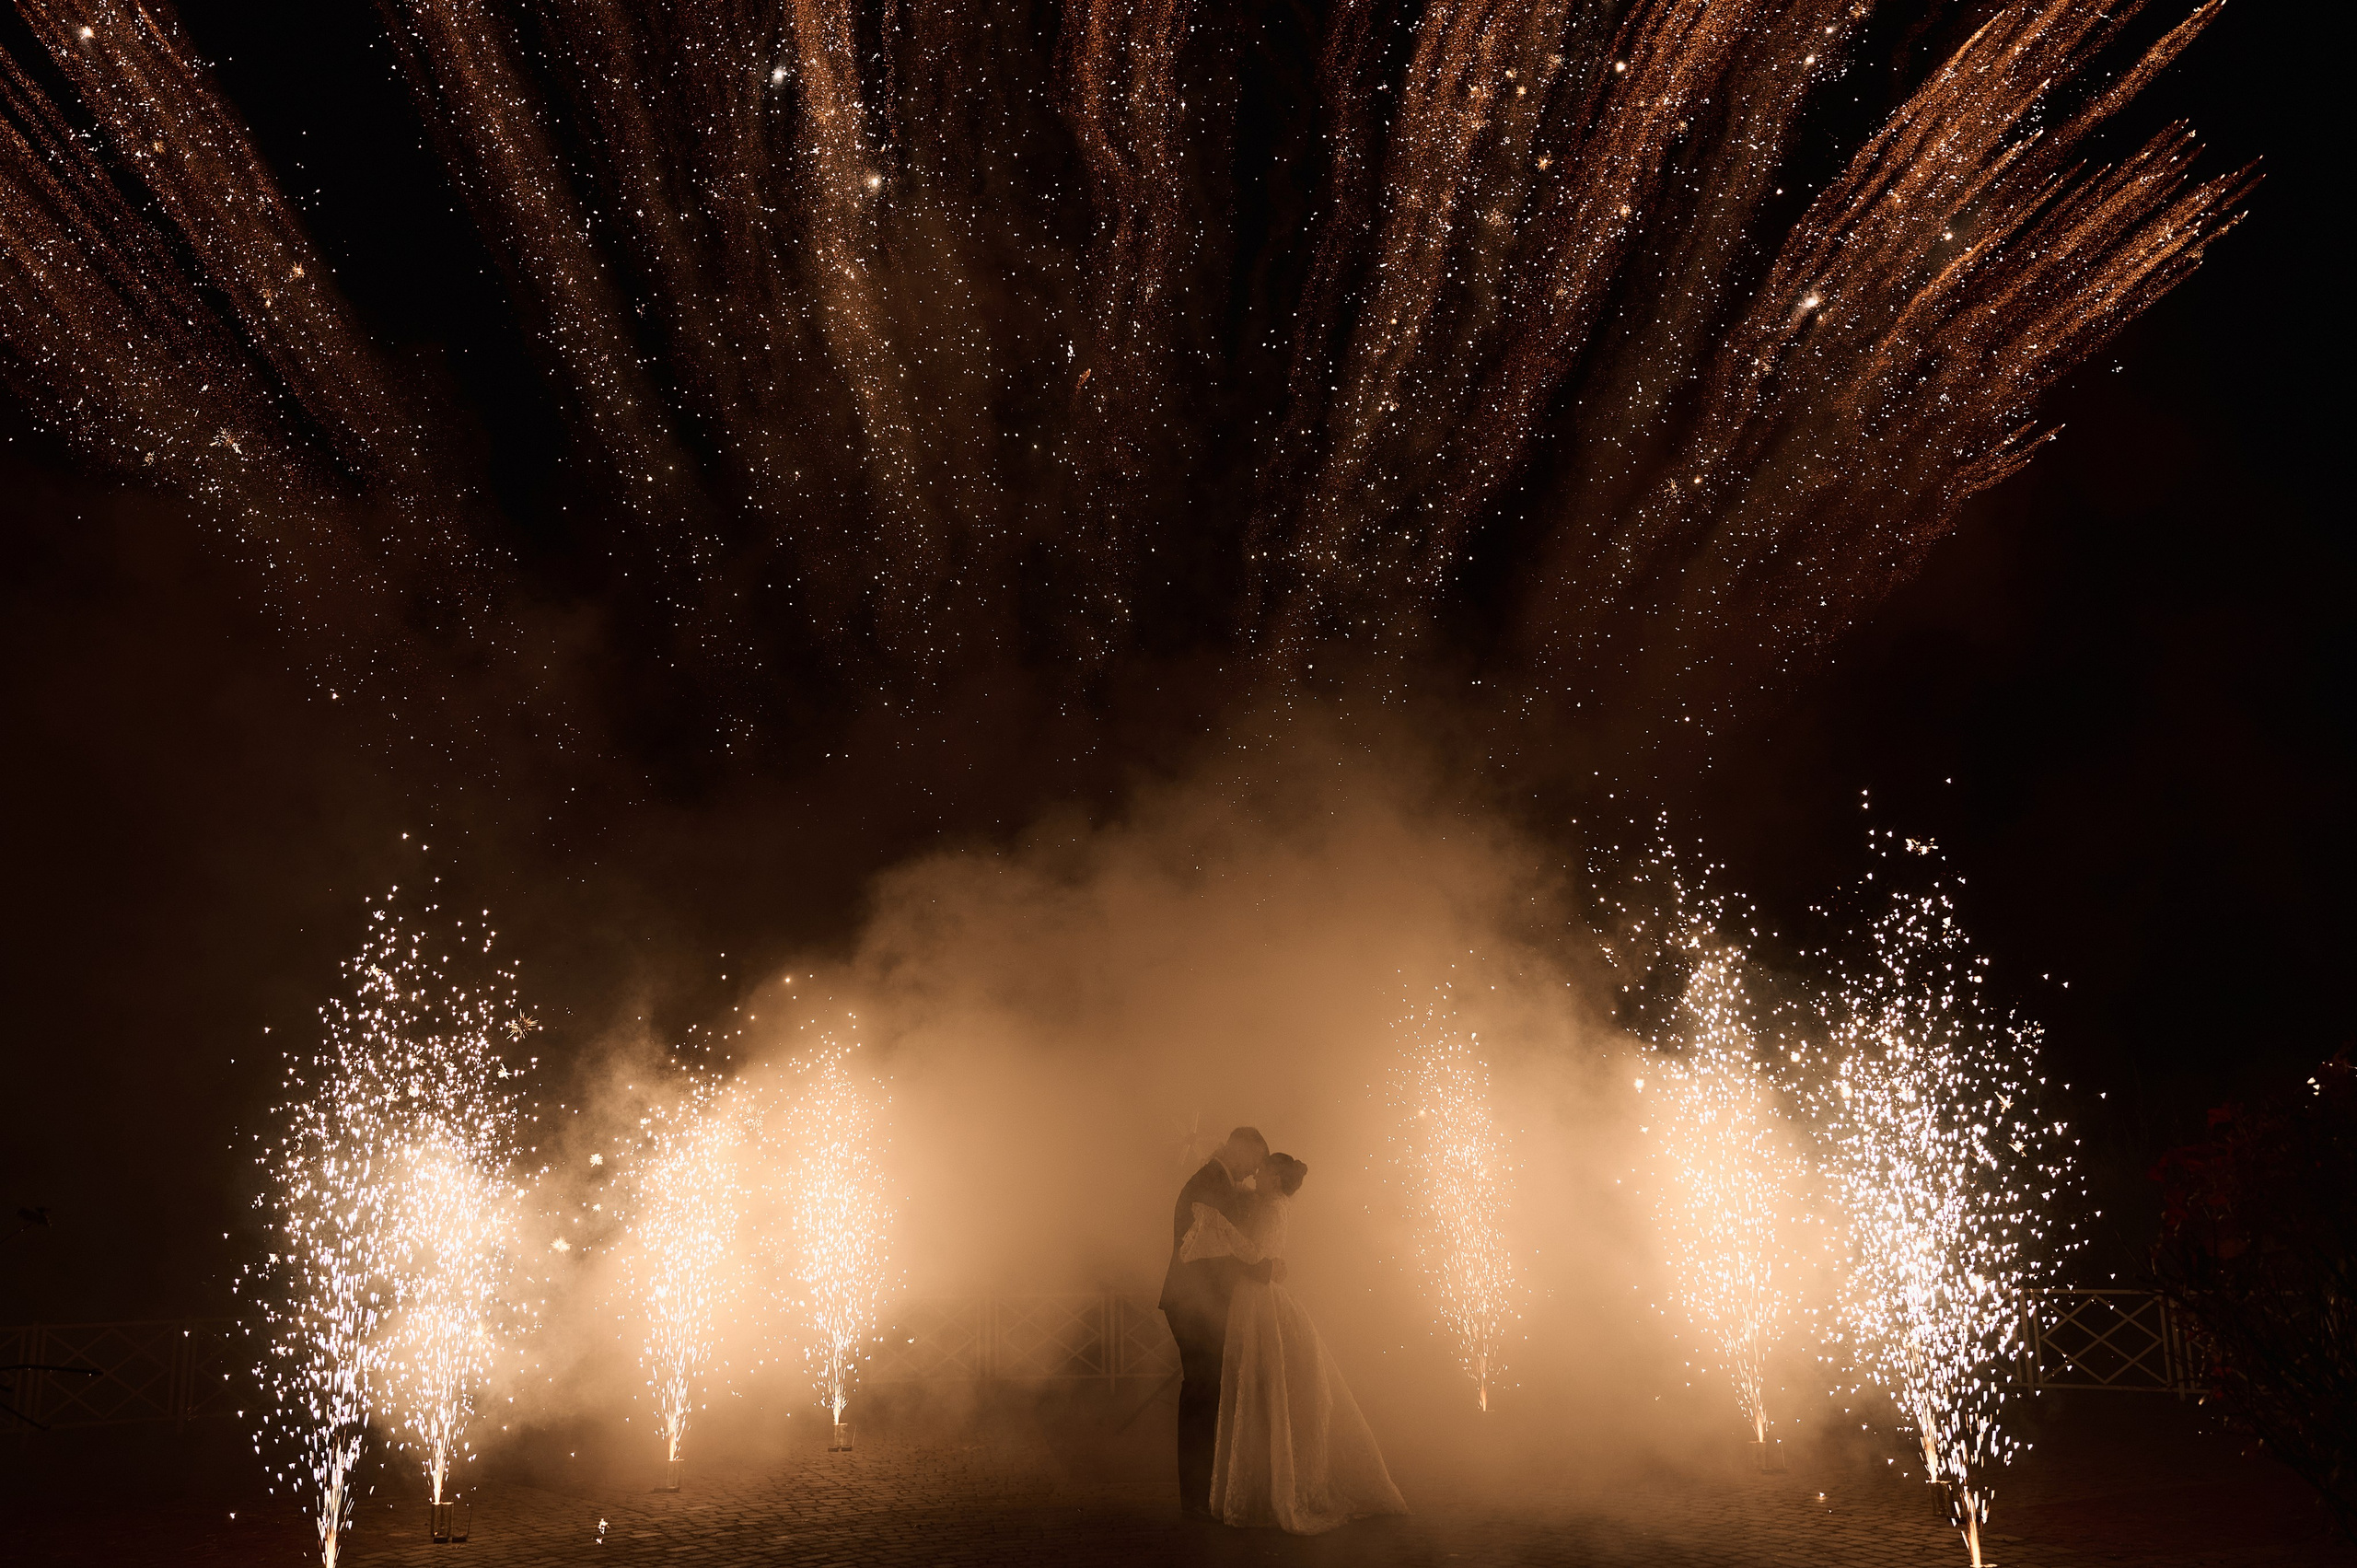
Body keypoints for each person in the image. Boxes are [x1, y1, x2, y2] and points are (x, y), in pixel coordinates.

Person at [1182, 1153, 1408, 1533]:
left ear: (1274, 1178)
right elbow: (1264, 1255)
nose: (1256, 1174)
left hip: (1255, 1299)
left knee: (1255, 1387)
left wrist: (1218, 1225)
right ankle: (1264, 1481)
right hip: (1254, 1295)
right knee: (1257, 1388)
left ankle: (1263, 1486)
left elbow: (1256, 1253)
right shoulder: (1271, 1204)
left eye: (1263, 1171)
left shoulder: (1272, 1209)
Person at [1159, 1126, 1275, 1518]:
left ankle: (1201, 1491)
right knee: (1202, 1394)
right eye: (1254, 1161)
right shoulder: (1210, 1182)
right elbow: (1218, 1247)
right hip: (1194, 1304)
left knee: (1204, 1393)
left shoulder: (1215, 1181)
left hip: (1197, 1302)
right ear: (1239, 1150)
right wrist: (1264, 1268)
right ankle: (1196, 1496)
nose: (1253, 1172)